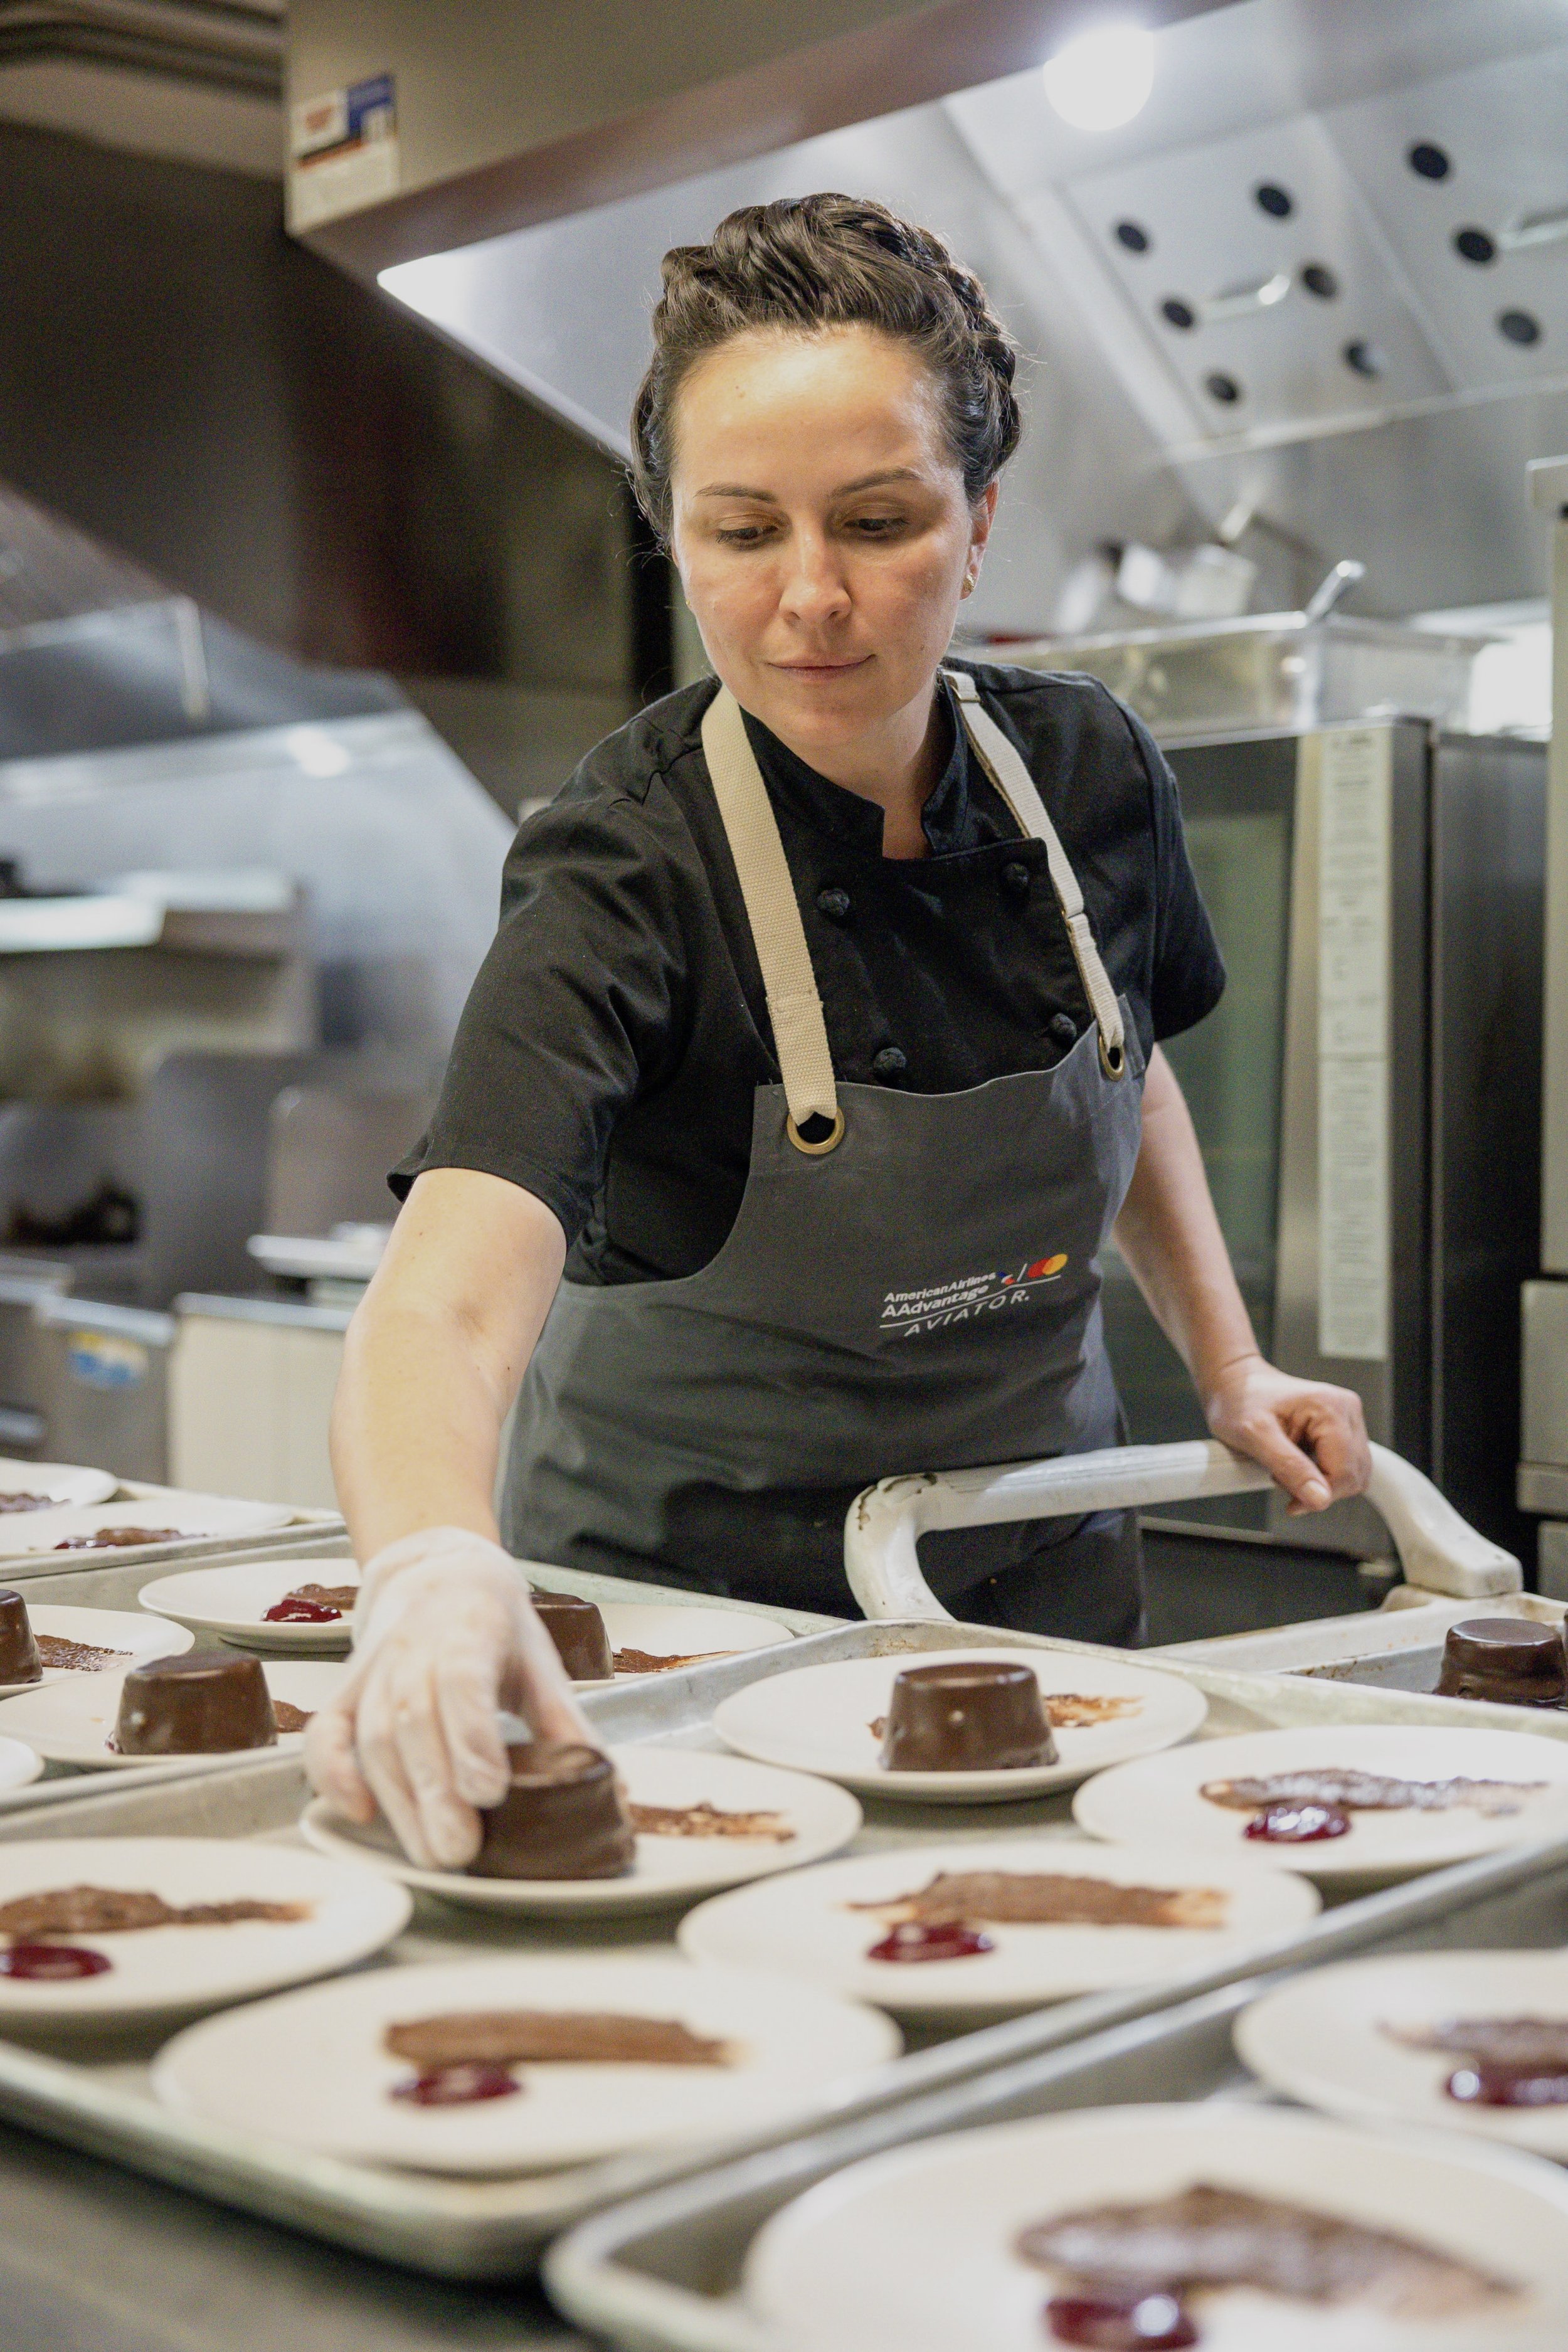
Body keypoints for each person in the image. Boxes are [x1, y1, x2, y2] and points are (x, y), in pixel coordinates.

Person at [307, 194, 1370, 1868]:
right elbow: (443, 1294)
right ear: (672, 533)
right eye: (743, 533)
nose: (811, 598)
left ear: (978, 519)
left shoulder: (1088, 771)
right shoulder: (623, 864)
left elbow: (1128, 1062)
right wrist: (430, 1563)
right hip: (697, 1639)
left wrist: (1227, 1363)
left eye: (877, 521)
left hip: (1045, 1602)